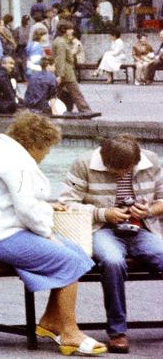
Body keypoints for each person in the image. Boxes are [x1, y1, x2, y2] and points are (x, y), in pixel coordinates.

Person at [0, 111, 104, 355]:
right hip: (0, 236)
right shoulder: (14, 161)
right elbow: (26, 208)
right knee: (69, 258)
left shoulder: (6, 153)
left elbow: (19, 201)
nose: (47, 154)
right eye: (47, 148)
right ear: (35, 144)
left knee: (77, 252)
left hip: (0, 232)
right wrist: (47, 234)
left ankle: (52, 320)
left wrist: (45, 210)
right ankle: (69, 332)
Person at [59, 134, 163, 353]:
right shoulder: (85, 163)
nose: (122, 175)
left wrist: (150, 210)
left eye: (127, 170)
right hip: (101, 229)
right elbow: (66, 203)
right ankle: (117, 332)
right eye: (116, 172)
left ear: (136, 161)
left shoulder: (151, 161)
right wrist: (103, 213)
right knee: (113, 260)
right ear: (105, 161)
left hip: (142, 228)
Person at [53, 24, 92, 113]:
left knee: (56, 93)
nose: (72, 31)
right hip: (66, 72)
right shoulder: (61, 43)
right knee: (75, 92)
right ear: (64, 30)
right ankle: (85, 109)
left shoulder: (61, 41)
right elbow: (60, 59)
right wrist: (60, 74)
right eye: (70, 29)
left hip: (65, 71)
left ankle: (48, 107)